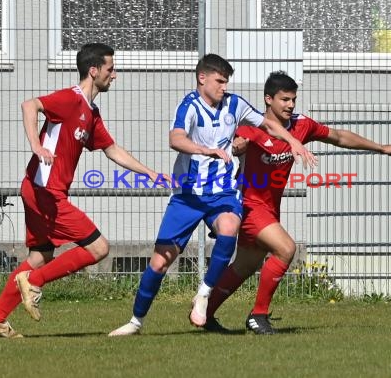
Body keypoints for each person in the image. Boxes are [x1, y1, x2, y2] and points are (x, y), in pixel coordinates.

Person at [108, 55, 317, 336]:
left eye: (226, 81)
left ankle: (203, 294)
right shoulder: (189, 106)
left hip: (222, 193)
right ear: (202, 78)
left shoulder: (235, 103)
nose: (224, 86)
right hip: (188, 196)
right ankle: (136, 321)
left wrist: (293, 141)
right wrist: (207, 150)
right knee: (160, 262)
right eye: (219, 80)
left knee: (230, 226)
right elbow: (176, 139)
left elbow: (267, 124)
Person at [0, 43, 169, 338]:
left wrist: (150, 173)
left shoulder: (91, 112)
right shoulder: (71, 99)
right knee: (99, 248)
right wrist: (36, 145)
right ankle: (34, 282)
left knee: (40, 256)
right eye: (110, 69)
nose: (114, 75)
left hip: (41, 190)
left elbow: (111, 149)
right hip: (45, 191)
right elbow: (30, 105)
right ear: (94, 71)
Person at [204, 71, 391, 334]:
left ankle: (203, 314)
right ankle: (258, 316)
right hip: (250, 206)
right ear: (268, 100)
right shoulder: (251, 127)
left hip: (270, 209)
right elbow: (229, 148)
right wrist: (235, 148)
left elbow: (339, 137)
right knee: (286, 249)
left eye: (293, 100)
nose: (290, 105)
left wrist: (380, 147)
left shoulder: (301, 126)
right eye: (284, 99)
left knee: (246, 264)